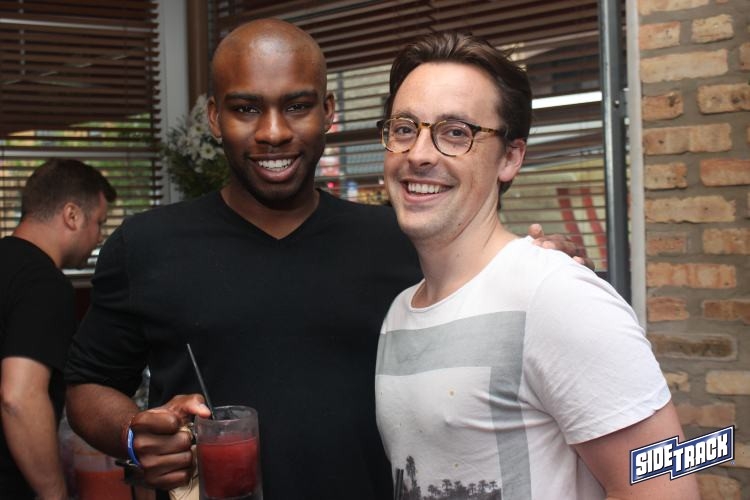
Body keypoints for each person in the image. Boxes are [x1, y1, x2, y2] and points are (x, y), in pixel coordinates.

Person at [64, 20, 588, 500]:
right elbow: (87, 386)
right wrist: (133, 434)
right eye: (246, 108)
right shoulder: (146, 245)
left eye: (297, 106)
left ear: (329, 112)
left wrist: (539, 268)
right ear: (215, 118)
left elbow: (492, 278)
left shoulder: (405, 241)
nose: (273, 132)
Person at [374, 32, 700, 500]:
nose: (420, 154)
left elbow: (667, 487)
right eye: (405, 128)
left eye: (456, 133)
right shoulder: (399, 313)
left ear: (510, 157)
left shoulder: (558, 296)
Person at [0, 158, 116, 499]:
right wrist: (55, 494)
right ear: (72, 215)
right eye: (99, 222)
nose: (99, 236)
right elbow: (19, 397)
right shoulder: (44, 283)